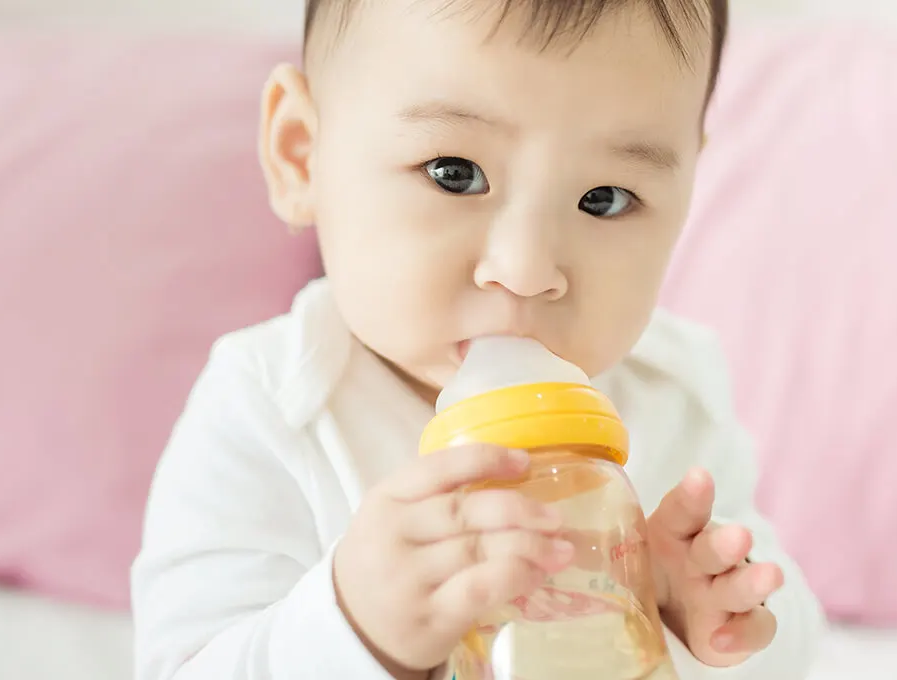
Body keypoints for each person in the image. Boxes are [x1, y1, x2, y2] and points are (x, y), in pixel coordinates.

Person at [131, 1, 825, 678]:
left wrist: (703, 618)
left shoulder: (672, 394)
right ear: (302, 154)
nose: (525, 272)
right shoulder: (270, 408)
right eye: (454, 173)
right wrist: (353, 627)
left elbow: (792, 632)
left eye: (605, 198)